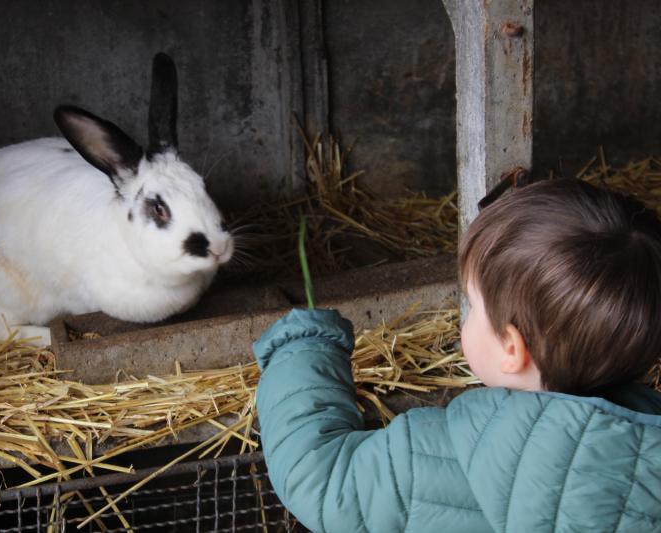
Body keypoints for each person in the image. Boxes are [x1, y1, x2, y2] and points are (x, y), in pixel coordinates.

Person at [252, 179, 661, 532]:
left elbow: (321, 481)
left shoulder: (430, 459)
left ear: (512, 349)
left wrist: (302, 347)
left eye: (472, 304)